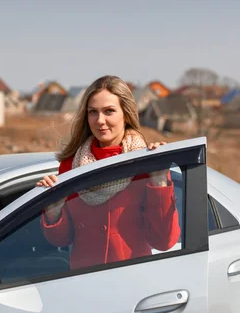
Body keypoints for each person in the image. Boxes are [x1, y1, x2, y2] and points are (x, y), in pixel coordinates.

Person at [37, 75, 180, 270]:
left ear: (126, 114)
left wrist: (159, 180)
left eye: (109, 111)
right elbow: (62, 239)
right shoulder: (71, 165)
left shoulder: (145, 163)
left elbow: (163, 242)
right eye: (93, 112)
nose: (100, 121)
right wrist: (53, 210)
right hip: (84, 281)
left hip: (132, 280)